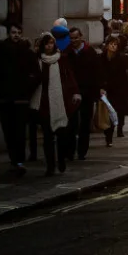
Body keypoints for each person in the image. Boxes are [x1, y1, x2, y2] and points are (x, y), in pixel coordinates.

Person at [0, 23, 39, 175]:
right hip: (5, 98)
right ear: (9, 33)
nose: (16, 35)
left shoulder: (28, 53)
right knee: (8, 131)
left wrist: (27, 90)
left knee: (19, 131)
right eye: (13, 32)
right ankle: (14, 160)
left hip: (21, 99)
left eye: (19, 32)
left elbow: (36, 75)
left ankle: (19, 160)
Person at [30, 34, 79, 176]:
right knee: (47, 137)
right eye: (46, 44)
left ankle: (61, 160)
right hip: (44, 102)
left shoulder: (61, 59)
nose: (49, 46)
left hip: (60, 102)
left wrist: (75, 92)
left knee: (62, 135)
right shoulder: (38, 60)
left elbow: (70, 77)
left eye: (51, 43)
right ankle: (50, 166)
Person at [64, 27, 104, 160]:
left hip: (87, 92)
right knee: (71, 123)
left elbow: (97, 73)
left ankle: (82, 151)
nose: (74, 40)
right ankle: (69, 151)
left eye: (76, 37)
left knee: (85, 123)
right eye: (71, 38)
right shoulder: (67, 53)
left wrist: (97, 91)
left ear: (81, 37)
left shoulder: (90, 52)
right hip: (72, 93)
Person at [101, 35, 128, 145]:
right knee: (109, 112)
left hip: (120, 89)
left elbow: (127, 74)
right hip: (107, 89)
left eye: (115, 45)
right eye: (111, 44)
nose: (113, 46)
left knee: (119, 111)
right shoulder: (102, 58)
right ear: (107, 45)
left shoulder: (121, 58)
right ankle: (108, 135)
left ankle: (119, 128)